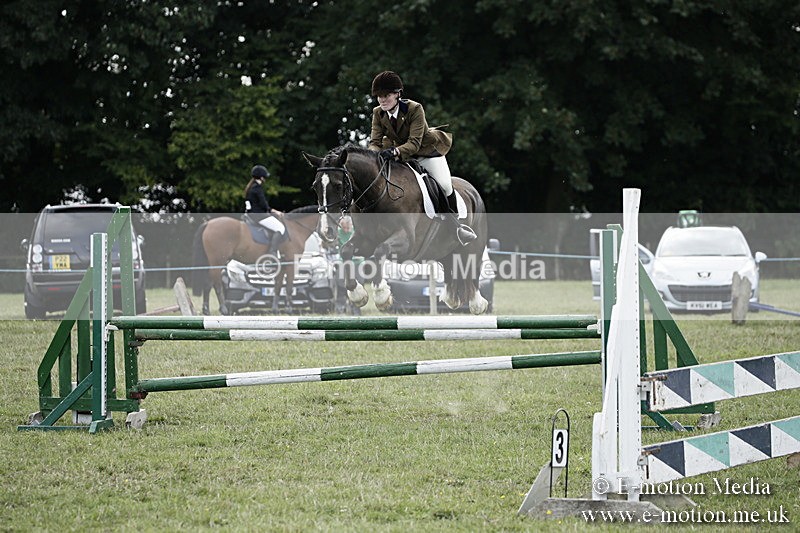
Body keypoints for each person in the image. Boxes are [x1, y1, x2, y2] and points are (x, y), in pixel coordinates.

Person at [367, 70, 477, 245]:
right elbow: (375, 141)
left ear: (397, 94)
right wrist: (374, 155)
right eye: (378, 96)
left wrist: (394, 152)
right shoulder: (377, 112)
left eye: (386, 95)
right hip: (399, 155)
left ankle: (456, 227)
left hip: (425, 152)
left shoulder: (414, 109)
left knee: (444, 184)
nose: (382, 100)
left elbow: (414, 143)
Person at [244, 164, 285, 251]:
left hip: (250, 214)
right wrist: (275, 211)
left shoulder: (250, 187)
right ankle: (272, 252)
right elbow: (264, 205)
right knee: (280, 228)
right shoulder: (257, 188)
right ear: (261, 177)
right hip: (258, 216)